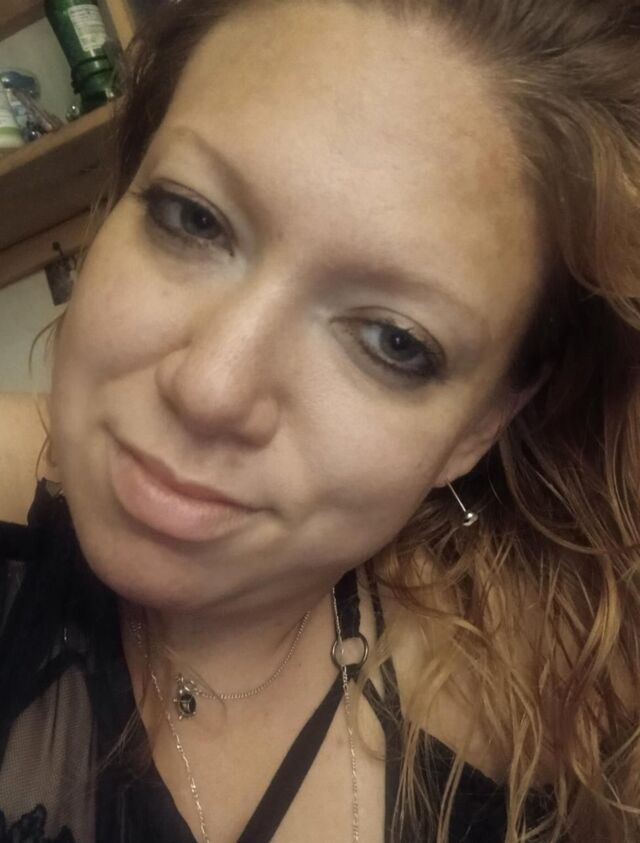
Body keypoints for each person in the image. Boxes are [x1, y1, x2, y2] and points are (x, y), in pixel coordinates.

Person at [0, 0, 638, 841]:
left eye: (392, 341)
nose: (211, 388)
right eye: (193, 217)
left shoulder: (552, 708)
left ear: (481, 423)